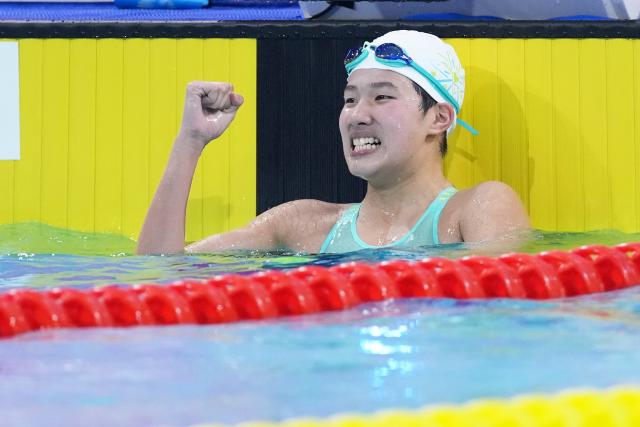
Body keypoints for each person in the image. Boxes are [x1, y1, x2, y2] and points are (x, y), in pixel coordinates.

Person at [136, 30, 530, 255]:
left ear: (439, 118)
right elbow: (160, 273)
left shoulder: (475, 209)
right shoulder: (302, 224)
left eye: (382, 97)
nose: (357, 114)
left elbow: (498, 314)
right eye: (349, 98)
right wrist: (190, 141)